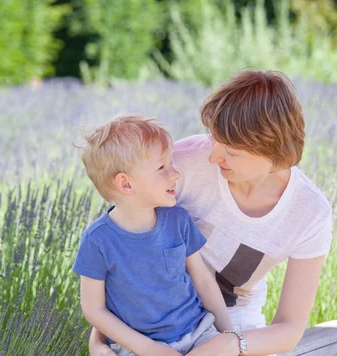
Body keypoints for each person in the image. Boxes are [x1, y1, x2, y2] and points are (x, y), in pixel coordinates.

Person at [88, 70, 333, 356]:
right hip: (152, 313)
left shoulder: (310, 213)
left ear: (273, 150)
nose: (213, 156)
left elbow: (290, 329)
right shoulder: (183, 161)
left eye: (231, 151)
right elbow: (122, 240)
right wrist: (100, 341)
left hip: (233, 317)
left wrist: (230, 342)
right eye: (214, 138)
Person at [73, 115, 234, 356]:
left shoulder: (178, 220)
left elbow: (203, 280)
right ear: (125, 184)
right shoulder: (97, 241)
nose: (175, 174)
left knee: (229, 346)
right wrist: (148, 348)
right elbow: (94, 310)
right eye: (162, 167)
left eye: (171, 163)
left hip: (198, 333)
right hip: (139, 346)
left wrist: (228, 333)